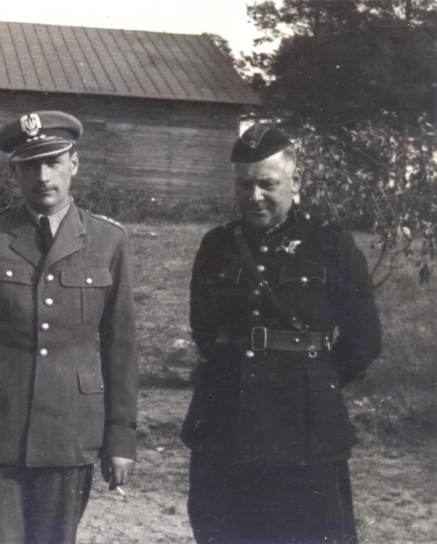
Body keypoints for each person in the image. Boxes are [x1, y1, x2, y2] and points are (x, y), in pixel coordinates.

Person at [181, 124, 382, 543]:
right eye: (244, 184)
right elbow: (204, 328)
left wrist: (312, 383)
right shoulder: (216, 245)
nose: (254, 196)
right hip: (226, 420)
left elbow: (364, 340)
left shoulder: (331, 247)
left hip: (305, 430)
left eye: (267, 184)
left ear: (296, 180)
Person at [0, 111, 138, 544]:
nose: (43, 176)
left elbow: (121, 347)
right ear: (14, 170)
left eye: (53, 162)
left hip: (69, 429)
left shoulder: (108, 240)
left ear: (74, 163)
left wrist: (120, 438)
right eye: (30, 165)